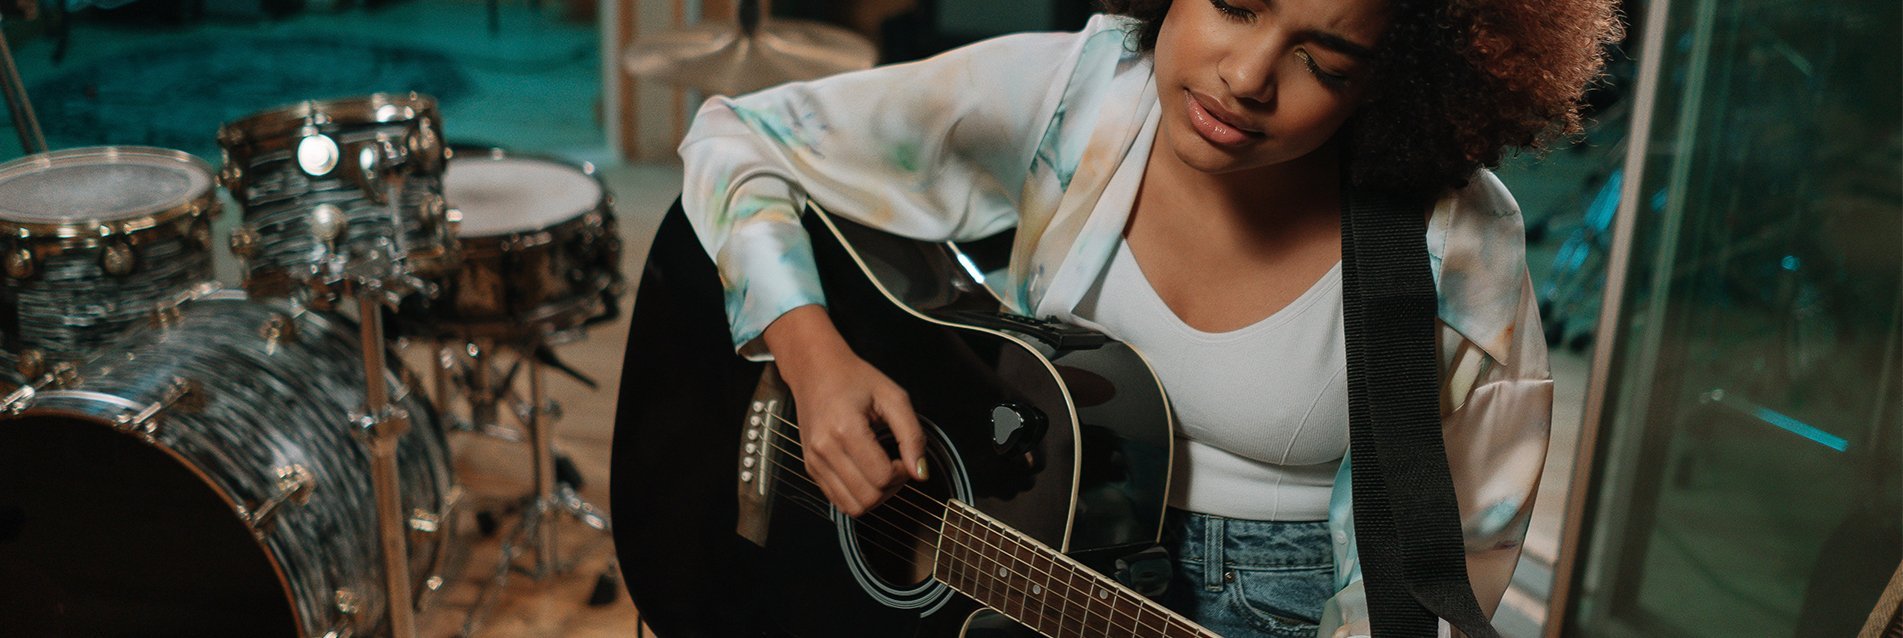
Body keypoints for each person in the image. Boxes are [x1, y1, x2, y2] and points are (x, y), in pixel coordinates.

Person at [675, 0, 1620, 635]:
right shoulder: (1080, 95)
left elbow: (1456, 558)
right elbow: (734, 135)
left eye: (1323, 64)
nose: (1245, 77)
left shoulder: (1450, 241)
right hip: (1011, 521)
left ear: (1395, 85)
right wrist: (810, 354)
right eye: (1235, 3)